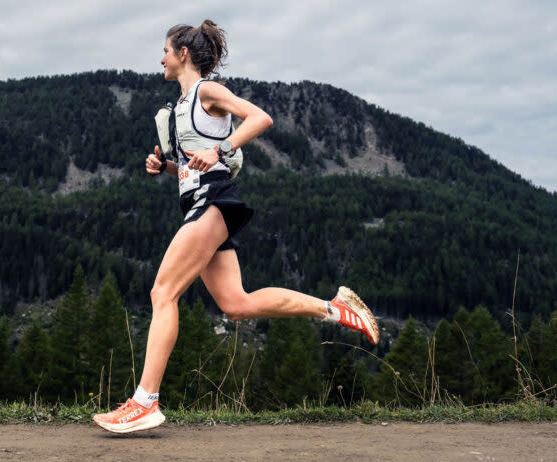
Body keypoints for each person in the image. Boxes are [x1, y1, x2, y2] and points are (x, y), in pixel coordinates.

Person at [92, 19, 378, 434]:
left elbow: (260, 118)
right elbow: (194, 167)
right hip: (201, 201)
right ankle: (337, 309)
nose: (161, 59)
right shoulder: (180, 108)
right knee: (237, 305)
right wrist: (167, 167)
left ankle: (145, 401)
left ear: (183, 54)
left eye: (166, 52)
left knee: (162, 292)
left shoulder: (207, 91)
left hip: (212, 202)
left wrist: (221, 147)